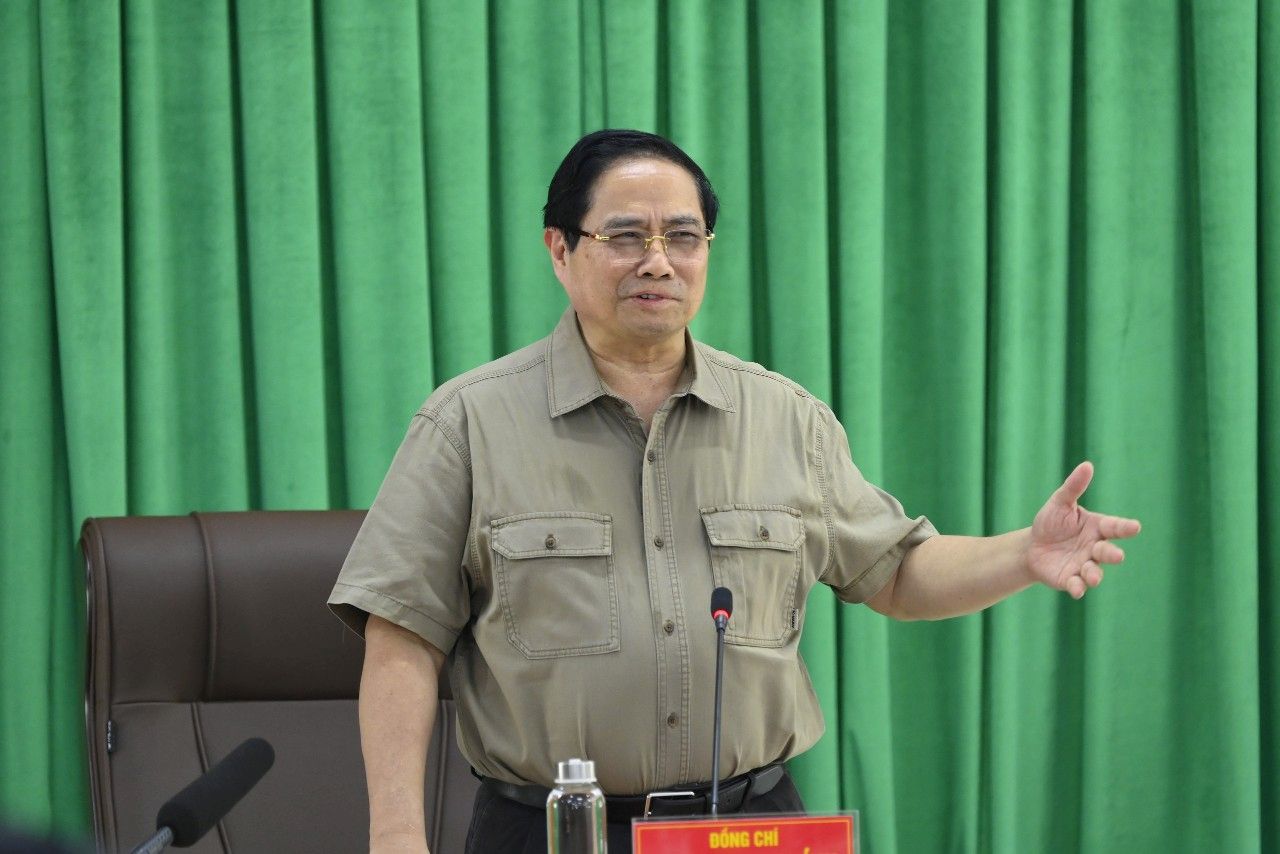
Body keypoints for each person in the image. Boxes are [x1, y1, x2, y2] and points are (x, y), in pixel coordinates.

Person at [328, 129, 1141, 854]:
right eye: (624, 235)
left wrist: (1023, 555)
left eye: (683, 236)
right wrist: (397, 835)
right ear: (559, 249)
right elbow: (403, 638)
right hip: (553, 830)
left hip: (749, 829)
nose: (658, 259)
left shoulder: (785, 418)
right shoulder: (468, 422)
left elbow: (894, 572)